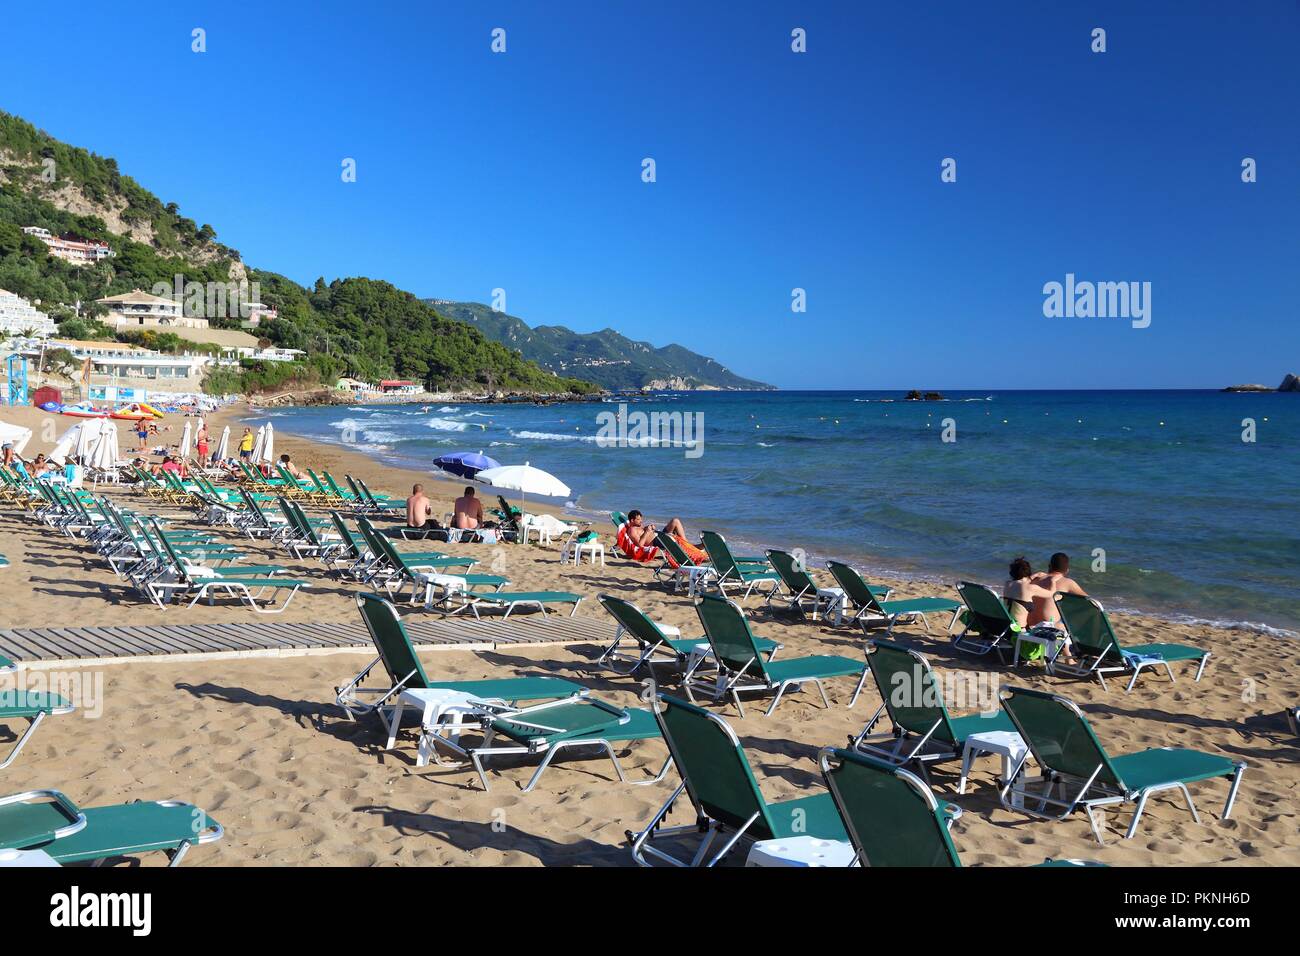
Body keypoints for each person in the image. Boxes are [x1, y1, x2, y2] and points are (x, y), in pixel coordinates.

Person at [1029, 552, 1087, 629]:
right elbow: (1091, 601)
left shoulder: (1035, 579)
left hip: (1029, 626)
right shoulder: (1067, 582)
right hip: (1048, 628)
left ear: (1049, 566)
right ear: (1067, 570)